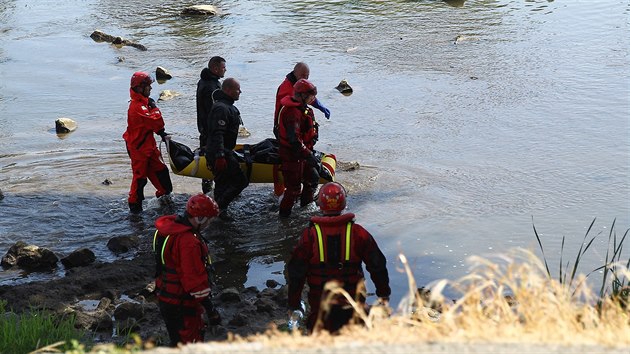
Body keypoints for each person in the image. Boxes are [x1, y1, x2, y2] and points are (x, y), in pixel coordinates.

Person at [287, 182, 391, 333]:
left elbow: (296, 272)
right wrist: (383, 295)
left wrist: (294, 305)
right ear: (343, 204)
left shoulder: (309, 236)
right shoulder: (358, 233)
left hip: (322, 308)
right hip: (353, 306)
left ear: (320, 204)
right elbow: (378, 265)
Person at [153, 193, 222, 347]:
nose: (208, 225)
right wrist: (211, 310)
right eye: (209, 220)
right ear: (199, 219)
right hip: (181, 302)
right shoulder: (188, 242)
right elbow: (194, 280)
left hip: (166, 296)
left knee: (177, 340)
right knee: (189, 341)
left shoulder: (169, 230)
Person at [123, 71, 173, 214]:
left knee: (162, 173)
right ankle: (135, 209)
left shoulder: (143, 103)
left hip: (148, 145)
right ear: (140, 88)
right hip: (138, 148)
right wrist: (155, 107)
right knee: (140, 180)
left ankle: (164, 199)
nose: (151, 89)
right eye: (148, 86)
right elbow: (155, 121)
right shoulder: (137, 107)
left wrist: (161, 133)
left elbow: (154, 125)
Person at [276, 79, 321, 217]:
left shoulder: (302, 109)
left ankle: (306, 209)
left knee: (312, 178)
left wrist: (309, 154)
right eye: (310, 96)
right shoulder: (292, 113)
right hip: (292, 156)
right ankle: (284, 218)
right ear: (302, 95)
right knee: (293, 190)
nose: (313, 99)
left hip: (302, 154)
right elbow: (294, 140)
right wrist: (308, 155)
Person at [205, 78, 248, 221]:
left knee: (222, 183)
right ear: (228, 90)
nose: (240, 92)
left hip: (222, 150)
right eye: (237, 89)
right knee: (240, 181)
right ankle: (217, 209)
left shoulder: (227, 106)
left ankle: (219, 211)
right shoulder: (221, 108)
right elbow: (218, 133)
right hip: (219, 152)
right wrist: (220, 155)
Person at [274, 62, 331, 139]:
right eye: (303, 75)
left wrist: (320, 106)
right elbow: (300, 102)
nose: (305, 78)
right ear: (295, 73)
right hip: (283, 127)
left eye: (307, 76)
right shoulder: (287, 88)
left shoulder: (299, 85)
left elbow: (307, 97)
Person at [197, 56, 227, 194]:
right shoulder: (211, 87)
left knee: (208, 166)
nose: (225, 69)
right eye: (223, 67)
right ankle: (214, 194)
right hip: (211, 133)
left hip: (205, 131)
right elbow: (214, 113)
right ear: (215, 68)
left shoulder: (204, 81)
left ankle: (208, 193)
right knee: (214, 165)